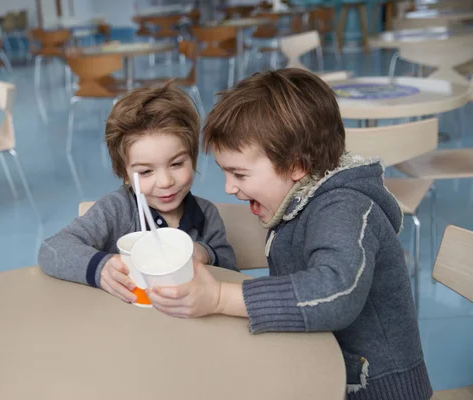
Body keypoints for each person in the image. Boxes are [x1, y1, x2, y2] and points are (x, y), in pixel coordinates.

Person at [146, 69, 433, 399]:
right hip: (317, 370)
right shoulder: (299, 197)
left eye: (239, 173)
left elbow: (337, 293)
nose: (229, 188)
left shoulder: (344, 207)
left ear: (297, 166)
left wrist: (221, 298)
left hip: (375, 391)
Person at [38, 82, 236, 304]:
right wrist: (100, 268)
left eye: (177, 164)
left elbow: (230, 268)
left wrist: (205, 253)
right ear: (124, 174)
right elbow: (52, 249)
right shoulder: (117, 209)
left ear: (193, 157)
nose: (165, 181)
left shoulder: (206, 214)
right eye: (145, 171)